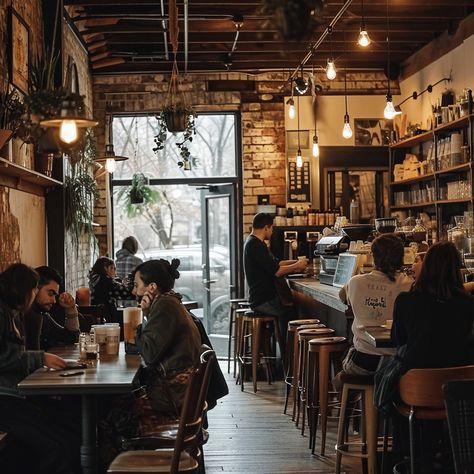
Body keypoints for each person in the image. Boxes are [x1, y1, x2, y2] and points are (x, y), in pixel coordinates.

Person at [100, 259, 201, 465]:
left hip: (170, 397)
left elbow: (148, 353)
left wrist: (140, 322)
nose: (135, 292)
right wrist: (146, 314)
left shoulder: (165, 305)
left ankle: (123, 465)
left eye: (137, 285)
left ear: (152, 287)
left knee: (108, 415)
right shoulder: (169, 302)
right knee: (115, 405)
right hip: (178, 391)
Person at [390, 242, 474, 471]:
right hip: (457, 391)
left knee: (389, 378)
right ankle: (447, 457)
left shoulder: (406, 301)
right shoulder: (467, 303)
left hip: (416, 389)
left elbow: (399, 340)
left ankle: (409, 455)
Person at [0, 263, 79, 474]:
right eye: (34, 290)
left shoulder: (15, 313)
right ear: (23, 289)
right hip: (6, 399)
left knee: (71, 434)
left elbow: (70, 337)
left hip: (17, 395)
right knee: (62, 447)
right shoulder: (5, 313)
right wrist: (40, 358)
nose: (34, 295)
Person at [338, 234, 413, 377]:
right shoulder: (409, 284)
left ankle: (347, 390)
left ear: (373, 256)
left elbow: (342, 297)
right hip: (397, 365)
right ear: (401, 258)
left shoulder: (355, 282)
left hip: (362, 362)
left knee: (346, 359)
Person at [243, 212, 309, 345]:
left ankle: (284, 355)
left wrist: (296, 262)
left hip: (260, 298)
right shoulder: (255, 245)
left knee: (290, 309)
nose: (272, 232)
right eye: (272, 228)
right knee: (290, 312)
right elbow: (277, 271)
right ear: (266, 227)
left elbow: (276, 263)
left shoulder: (254, 243)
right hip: (262, 300)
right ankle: (286, 356)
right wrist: (297, 265)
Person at [24, 266, 80, 350]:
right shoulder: (20, 316)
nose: (54, 301)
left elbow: (72, 338)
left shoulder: (43, 316)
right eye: (50, 294)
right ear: (35, 289)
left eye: (55, 295)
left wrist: (71, 309)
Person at [89, 256, 132, 323]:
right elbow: (126, 292)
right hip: (105, 316)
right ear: (106, 268)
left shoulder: (95, 279)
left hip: (96, 315)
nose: (116, 272)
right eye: (113, 268)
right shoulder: (105, 281)